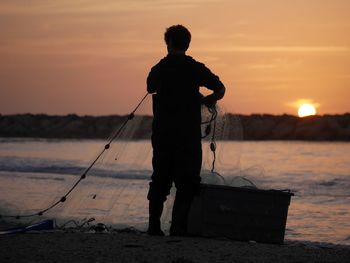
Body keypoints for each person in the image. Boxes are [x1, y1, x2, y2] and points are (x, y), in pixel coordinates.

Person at [146, 25, 225, 236]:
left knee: (160, 179)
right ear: (187, 44)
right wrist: (209, 99)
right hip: (188, 136)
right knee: (188, 182)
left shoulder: (159, 68)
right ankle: (178, 228)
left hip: (163, 135)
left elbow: (150, 87)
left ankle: (154, 227)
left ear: (169, 43)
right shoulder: (195, 68)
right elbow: (220, 88)